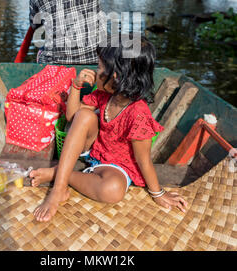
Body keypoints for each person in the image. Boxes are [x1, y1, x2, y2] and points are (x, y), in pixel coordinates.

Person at [30, 35, 188, 222]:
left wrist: (159, 193)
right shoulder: (105, 95)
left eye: (100, 68)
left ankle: (61, 174)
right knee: (84, 115)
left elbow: (143, 160)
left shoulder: (138, 114)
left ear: (115, 76)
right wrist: (76, 86)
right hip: (94, 151)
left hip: (118, 166)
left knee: (113, 191)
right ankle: (58, 190)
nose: (96, 72)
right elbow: (73, 117)